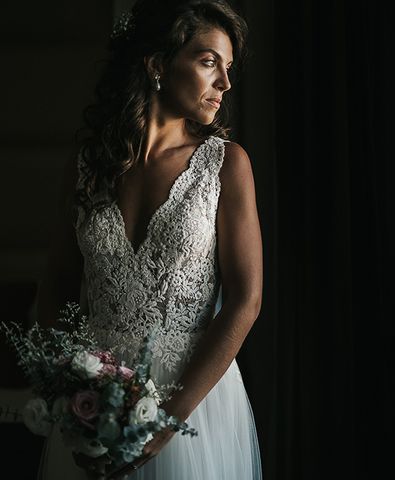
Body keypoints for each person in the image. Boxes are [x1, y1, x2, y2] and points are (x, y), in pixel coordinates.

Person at [34, 0, 263, 478]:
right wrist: (77, 383)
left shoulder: (226, 165)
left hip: (192, 401)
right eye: (208, 62)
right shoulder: (89, 166)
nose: (225, 83)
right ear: (158, 64)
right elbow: (55, 285)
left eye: (228, 68)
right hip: (96, 400)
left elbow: (246, 301)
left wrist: (167, 421)